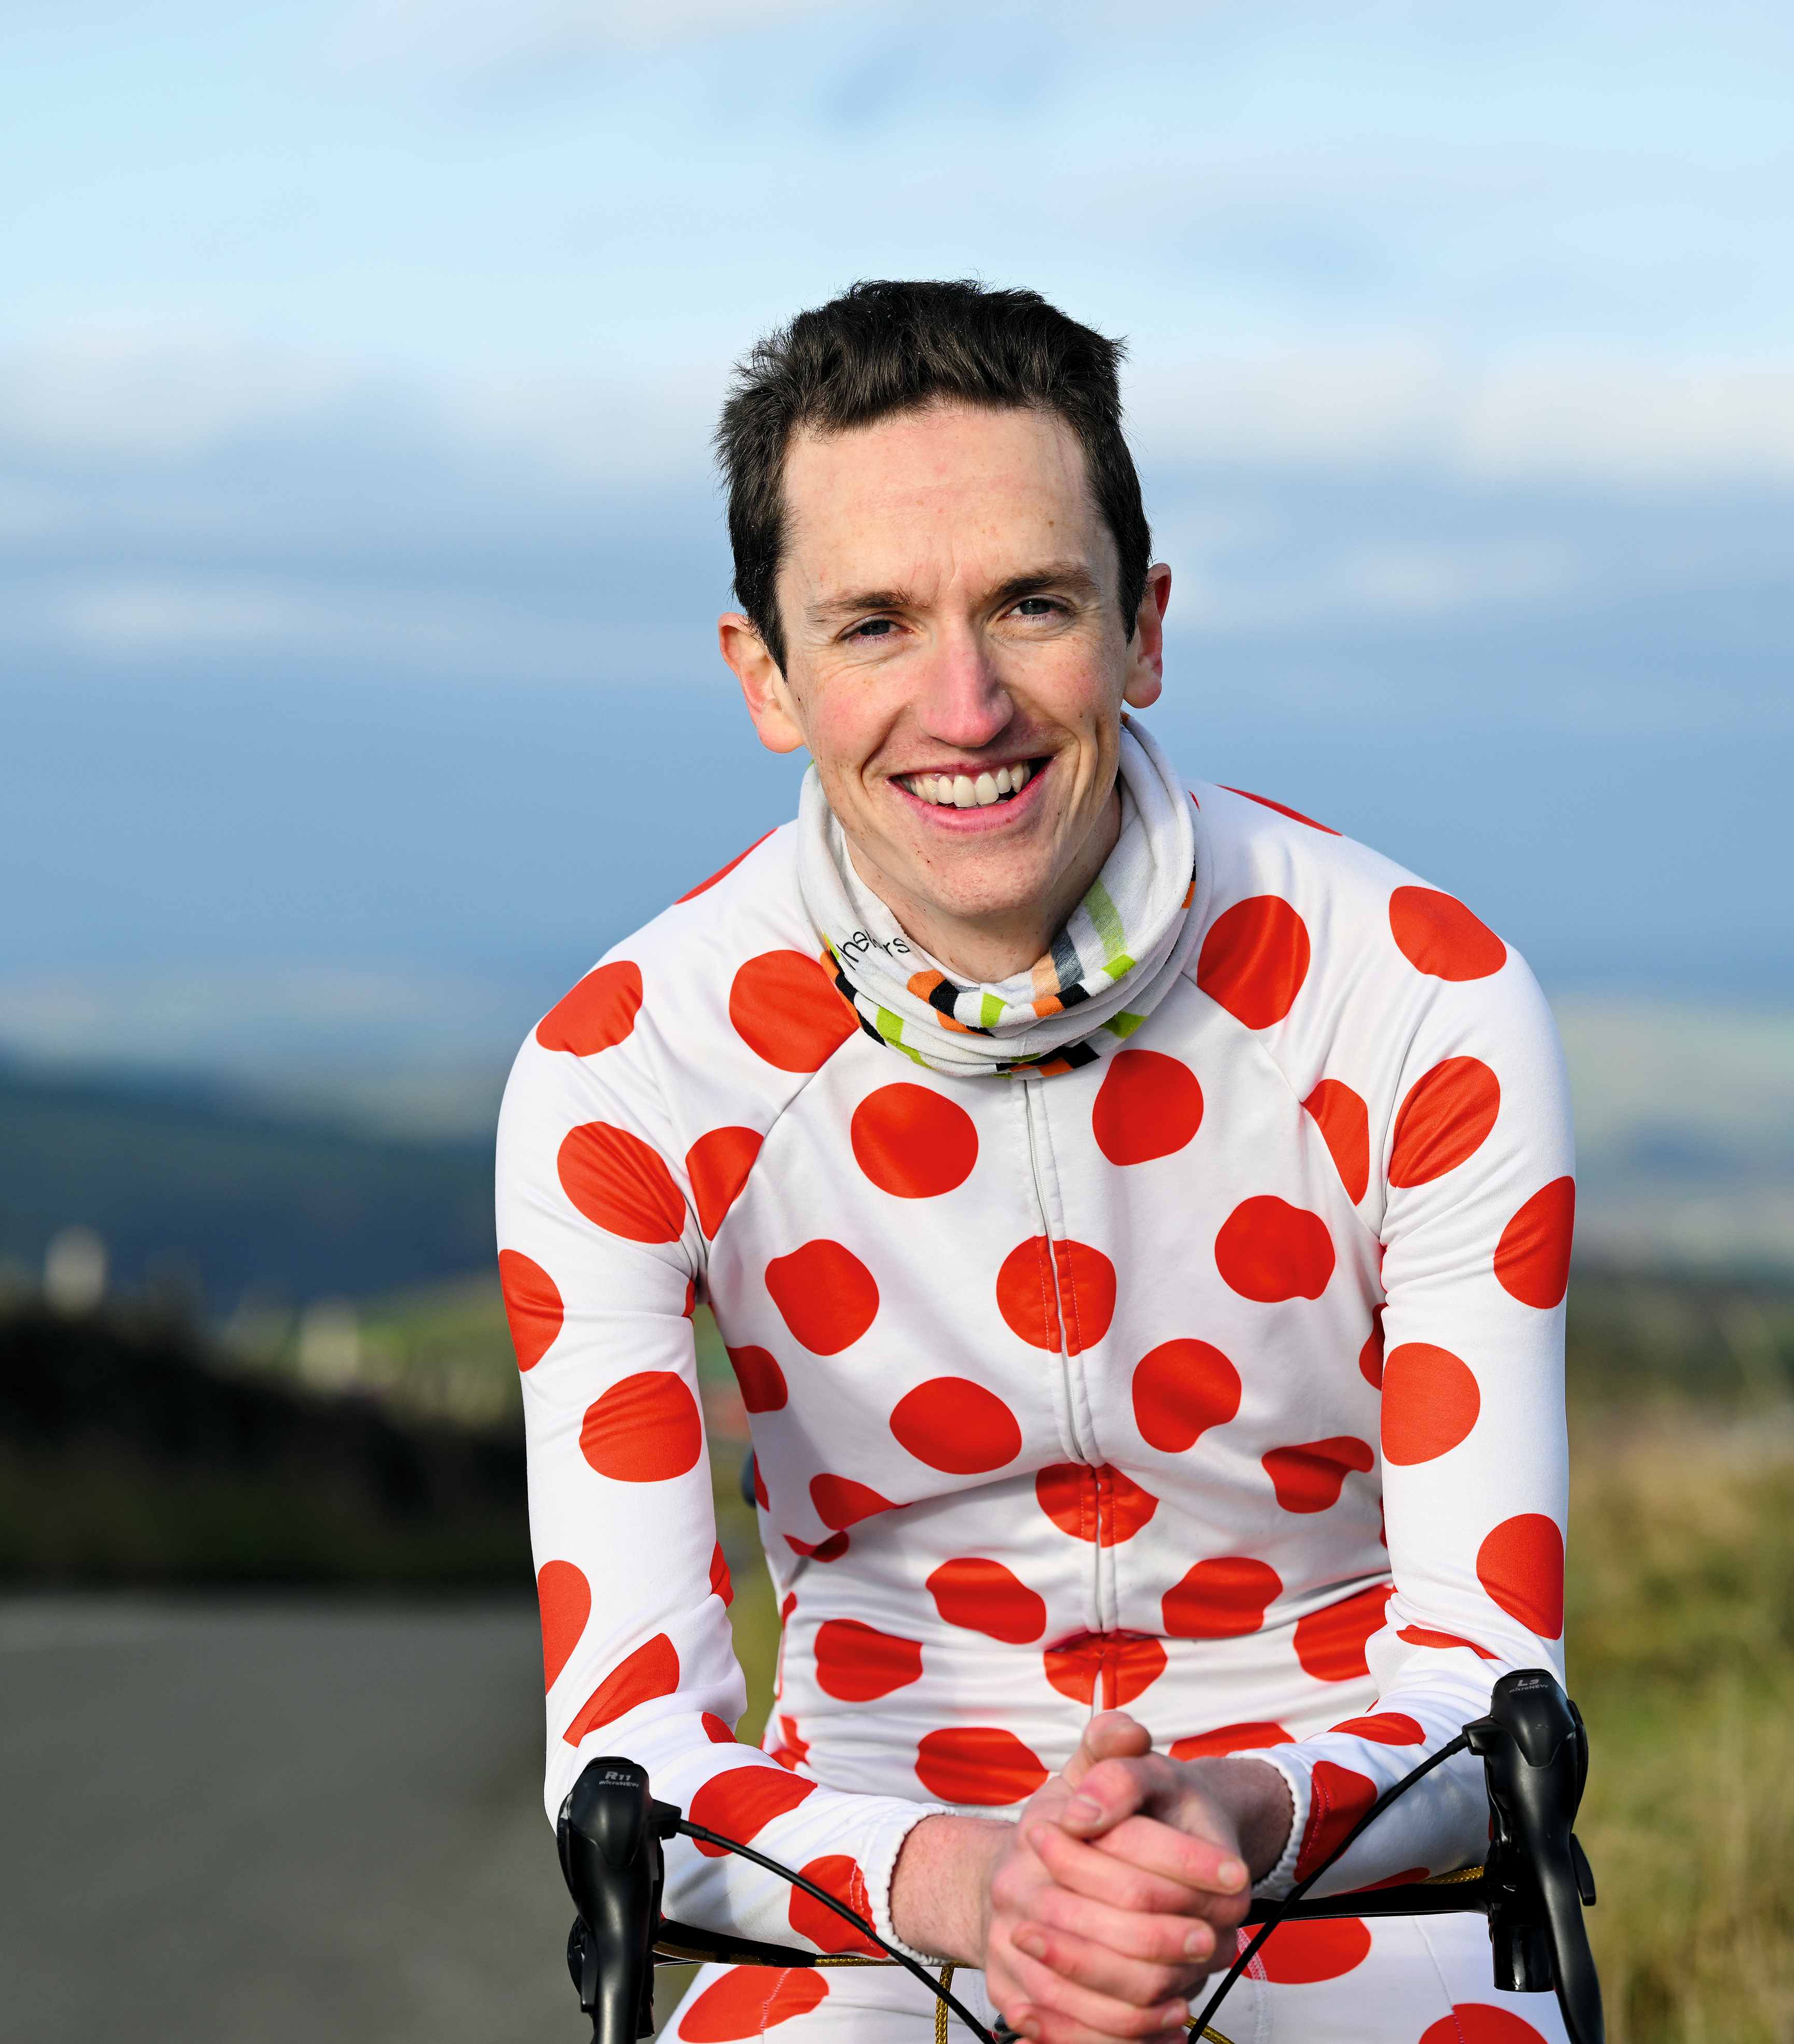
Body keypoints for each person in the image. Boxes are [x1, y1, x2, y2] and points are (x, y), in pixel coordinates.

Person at [502, 280, 1575, 2044]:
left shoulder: (1417, 995)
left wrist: (1214, 1829)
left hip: (1340, 1846)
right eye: (870, 625)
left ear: (1144, 629)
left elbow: (1493, 1697)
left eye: (1030, 604)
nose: (964, 699)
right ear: (761, 674)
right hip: (859, 1870)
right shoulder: (622, 1067)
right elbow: (619, 1773)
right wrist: (969, 1885)